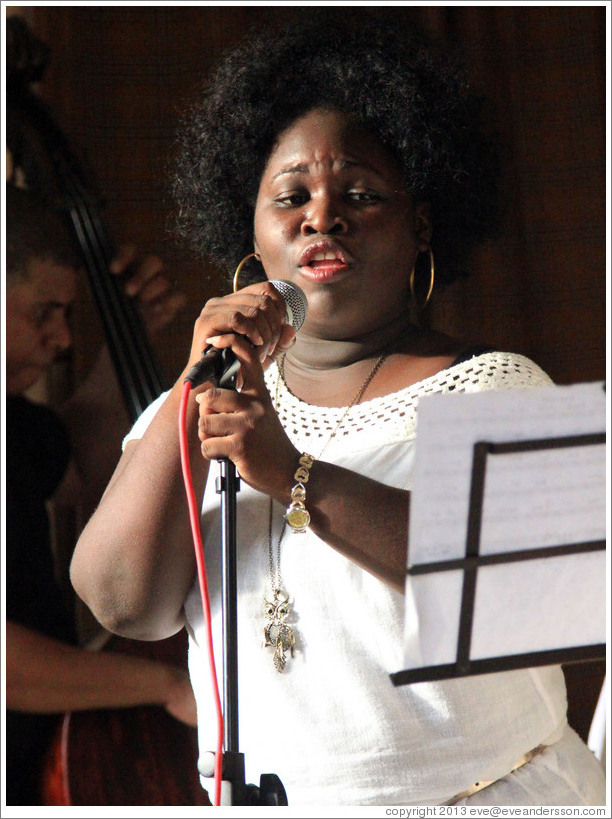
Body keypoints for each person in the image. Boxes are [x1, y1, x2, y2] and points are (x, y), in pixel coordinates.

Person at [69, 17, 606, 807]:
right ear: (249, 231)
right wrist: (192, 380)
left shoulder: (496, 384)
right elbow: (121, 601)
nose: (321, 216)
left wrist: (292, 474)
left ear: (420, 225)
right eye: (291, 197)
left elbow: (537, 591)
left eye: (358, 193)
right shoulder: (198, 397)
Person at [4, 183, 196, 807]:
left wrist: (127, 333)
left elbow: (77, 465)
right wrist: (166, 684)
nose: (61, 337)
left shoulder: (13, 423)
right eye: (44, 312)